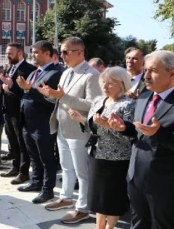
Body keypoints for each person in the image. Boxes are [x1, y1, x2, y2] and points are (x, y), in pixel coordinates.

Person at [109, 50, 174, 229]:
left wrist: (160, 133)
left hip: (166, 185)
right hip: (136, 177)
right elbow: (142, 132)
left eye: (152, 70)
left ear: (172, 73)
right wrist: (125, 128)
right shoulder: (144, 97)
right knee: (138, 224)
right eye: (145, 70)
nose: (146, 75)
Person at [38, 37, 102, 224]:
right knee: (66, 167)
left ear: (80, 52)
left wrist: (63, 96)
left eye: (66, 52)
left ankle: (83, 207)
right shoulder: (66, 72)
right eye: (62, 51)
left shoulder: (91, 75)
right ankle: (66, 197)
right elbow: (61, 99)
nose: (62, 55)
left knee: (82, 172)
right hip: (62, 127)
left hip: (79, 129)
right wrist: (51, 95)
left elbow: (92, 104)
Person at [69, 66, 135, 229]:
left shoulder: (128, 104)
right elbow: (93, 127)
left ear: (122, 83)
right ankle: (99, 226)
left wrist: (108, 126)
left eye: (110, 83)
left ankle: (109, 227)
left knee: (112, 195)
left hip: (117, 157)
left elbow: (129, 136)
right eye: (103, 82)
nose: (105, 86)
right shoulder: (99, 100)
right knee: (98, 194)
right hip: (96, 152)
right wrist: (82, 120)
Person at [16, 40, 62, 204]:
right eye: (32, 52)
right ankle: (36, 181)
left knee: (46, 158)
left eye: (36, 52)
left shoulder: (55, 73)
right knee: (33, 155)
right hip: (28, 122)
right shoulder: (34, 72)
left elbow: (49, 98)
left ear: (47, 53)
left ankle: (47, 190)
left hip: (43, 122)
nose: (32, 55)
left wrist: (29, 88)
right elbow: (27, 92)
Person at [0, 43, 36, 184]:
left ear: (20, 53)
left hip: (20, 112)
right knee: (12, 141)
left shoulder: (29, 69)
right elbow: (9, 87)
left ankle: (23, 172)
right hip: (8, 110)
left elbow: (27, 91)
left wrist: (10, 85)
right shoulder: (11, 67)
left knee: (22, 143)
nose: (8, 56)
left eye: (10, 53)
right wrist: (1, 88)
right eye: (7, 53)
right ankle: (15, 166)